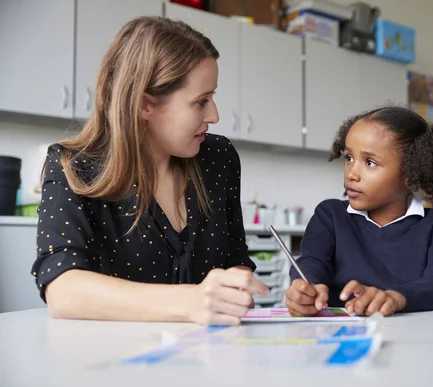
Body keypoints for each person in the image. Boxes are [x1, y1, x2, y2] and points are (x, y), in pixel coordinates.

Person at [30, 16, 269, 326]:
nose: (215, 115)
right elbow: (62, 289)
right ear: (145, 105)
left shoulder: (219, 158)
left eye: (213, 97)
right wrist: (191, 302)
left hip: (210, 359)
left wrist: (234, 286)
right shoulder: (72, 166)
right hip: (112, 364)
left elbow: (235, 259)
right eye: (201, 102)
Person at [285, 106, 433, 317]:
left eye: (370, 162)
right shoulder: (330, 215)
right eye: (348, 158)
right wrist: (306, 285)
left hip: (410, 340)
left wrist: (395, 298)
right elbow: (312, 260)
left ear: (411, 173)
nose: (352, 174)